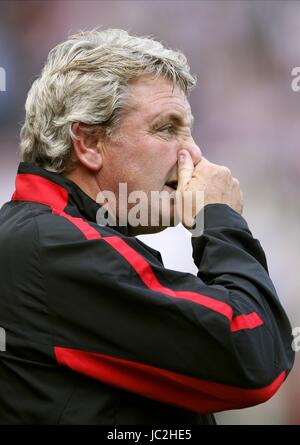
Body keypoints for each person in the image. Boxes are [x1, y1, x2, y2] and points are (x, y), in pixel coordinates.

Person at [0, 29, 294, 425]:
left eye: (189, 130)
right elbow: (253, 354)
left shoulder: (43, 237)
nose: (193, 153)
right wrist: (220, 221)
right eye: (166, 128)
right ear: (87, 143)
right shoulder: (53, 244)